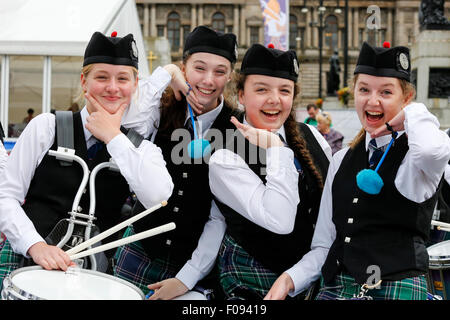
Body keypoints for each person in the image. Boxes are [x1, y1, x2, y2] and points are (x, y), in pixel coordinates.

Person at [266, 41, 450, 300]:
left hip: (395, 290)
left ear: (406, 98)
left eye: (386, 92)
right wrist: (289, 279)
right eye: (364, 89)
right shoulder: (341, 159)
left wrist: (413, 113)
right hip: (336, 289)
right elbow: (324, 243)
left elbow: (433, 150)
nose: (372, 101)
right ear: (353, 92)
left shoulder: (417, 158)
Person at [0, 31, 174, 290]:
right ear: (84, 81)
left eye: (123, 79)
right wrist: (33, 245)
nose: (113, 88)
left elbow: (157, 196)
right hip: (26, 265)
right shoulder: (46, 127)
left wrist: (114, 137)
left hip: (95, 279)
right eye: (101, 77)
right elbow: (6, 195)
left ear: (135, 84)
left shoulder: (142, 149)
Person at [157, 43, 331, 300]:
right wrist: (275, 148)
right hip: (253, 279)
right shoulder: (225, 156)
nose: (274, 99)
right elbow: (278, 221)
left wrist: (305, 272)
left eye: (285, 90)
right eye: (261, 89)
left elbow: (330, 219)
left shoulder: (313, 136)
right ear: (241, 95)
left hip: (315, 274)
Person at [112, 25, 243, 300]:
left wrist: (186, 279)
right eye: (199, 68)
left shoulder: (237, 128)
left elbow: (220, 218)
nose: (209, 80)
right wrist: (167, 73)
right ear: (185, 68)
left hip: (193, 264)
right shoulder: (162, 109)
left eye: (220, 71)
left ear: (230, 75)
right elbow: (128, 120)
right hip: (139, 248)